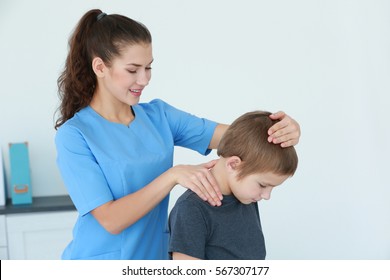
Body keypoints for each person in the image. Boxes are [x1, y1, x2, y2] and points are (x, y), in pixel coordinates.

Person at [54, 8, 301, 260]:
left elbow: (240, 139)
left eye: (148, 67)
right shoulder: (75, 136)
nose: (144, 79)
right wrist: (173, 176)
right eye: (133, 69)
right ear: (100, 67)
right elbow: (110, 220)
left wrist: (280, 130)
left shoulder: (159, 116)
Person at [168, 111, 298, 260]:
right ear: (234, 164)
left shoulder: (245, 196)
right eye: (263, 185)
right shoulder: (191, 209)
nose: (267, 196)